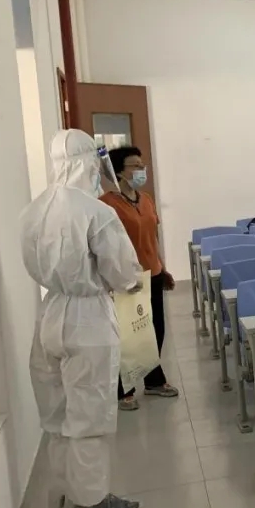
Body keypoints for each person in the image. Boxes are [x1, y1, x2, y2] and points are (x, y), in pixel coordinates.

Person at [21, 130, 144, 508]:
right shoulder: (96, 212)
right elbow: (123, 272)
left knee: (56, 414)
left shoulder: (34, 210)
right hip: (87, 317)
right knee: (89, 414)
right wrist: (132, 283)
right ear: (89, 163)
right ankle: (89, 502)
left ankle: (64, 494)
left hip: (50, 313)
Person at [100, 146, 178, 411]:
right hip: (124, 280)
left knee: (155, 329)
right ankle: (124, 389)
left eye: (142, 165)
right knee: (128, 335)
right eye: (135, 165)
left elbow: (153, 237)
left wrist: (162, 267)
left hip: (151, 274)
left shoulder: (146, 199)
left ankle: (154, 380)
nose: (141, 169)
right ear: (119, 172)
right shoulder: (106, 204)